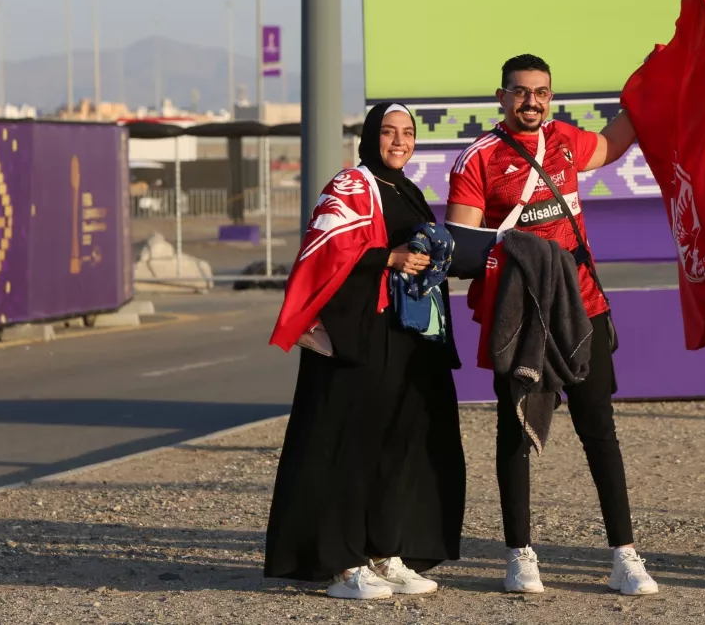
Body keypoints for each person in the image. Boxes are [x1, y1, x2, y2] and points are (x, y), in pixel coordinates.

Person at [445, 53, 658, 596]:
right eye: (520, 92)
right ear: (501, 97)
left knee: (600, 434)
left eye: (540, 92)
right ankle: (519, 555)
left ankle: (624, 555)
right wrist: (518, 251)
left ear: (550, 95)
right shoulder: (478, 158)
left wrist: (655, 85)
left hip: (583, 309)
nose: (531, 101)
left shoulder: (564, 138)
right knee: (515, 434)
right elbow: (461, 249)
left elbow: (613, 144)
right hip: (520, 321)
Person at [265, 103, 466, 600]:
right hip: (356, 338)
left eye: (407, 133)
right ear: (370, 136)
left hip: (404, 339)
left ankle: (383, 549)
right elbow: (324, 249)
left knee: (397, 447)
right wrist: (389, 256)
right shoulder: (351, 184)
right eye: (389, 132)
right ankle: (341, 562)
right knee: (346, 450)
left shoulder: (408, 189)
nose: (399, 141)